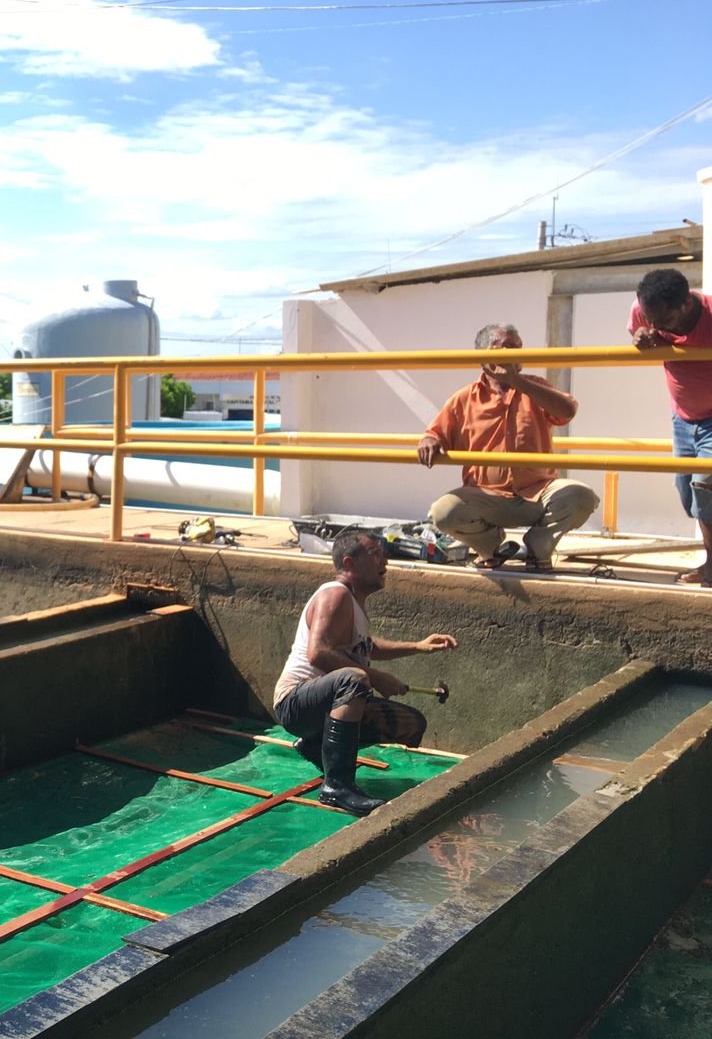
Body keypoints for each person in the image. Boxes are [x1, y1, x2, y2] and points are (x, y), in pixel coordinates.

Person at [274, 531, 457, 815]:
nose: (384, 561)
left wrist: (418, 646)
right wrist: (376, 677)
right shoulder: (334, 594)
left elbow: (368, 647)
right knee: (354, 678)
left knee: (410, 723)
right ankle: (337, 787)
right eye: (374, 553)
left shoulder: (355, 603)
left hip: (324, 702)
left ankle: (315, 746)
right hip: (294, 702)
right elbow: (318, 653)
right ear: (349, 563)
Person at [417, 323, 598, 573]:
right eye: (507, 347)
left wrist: (517, 382)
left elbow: (567, 411)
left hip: (538, 492)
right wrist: (430, 439)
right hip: (486, 496)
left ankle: (538, 548)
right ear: (483, 357)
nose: (515, 353)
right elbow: (435, 433)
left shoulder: (536, 387)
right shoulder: (464, 398)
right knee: (443, 513)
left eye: (519, 347)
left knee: (580, 495)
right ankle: (491, 550)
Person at [630, 268, 712, 585]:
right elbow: (637, 329)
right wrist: (640, 337)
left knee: (704, 489)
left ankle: (711, 565)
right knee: (688, 494)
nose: (656, 326)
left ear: (687, 305)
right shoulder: (646, 309)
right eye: (650, 319)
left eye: (663, 322)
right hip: (682, 416)